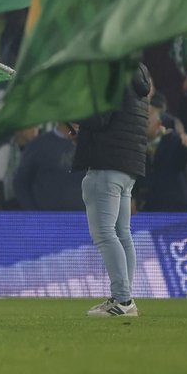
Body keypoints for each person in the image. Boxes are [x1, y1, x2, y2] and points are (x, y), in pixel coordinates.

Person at [76, 64, 153, 317]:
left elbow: (99, 117)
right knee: (122, 233)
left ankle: (122, 300)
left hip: (106, 164)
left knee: (106, 234)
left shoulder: (109, 69)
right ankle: (125, 299)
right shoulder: (138, 71)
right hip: (128, 165)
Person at [14, 123, 85, 211]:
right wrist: (34, 214)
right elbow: (20, 183)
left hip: (83, 219)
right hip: (48, 219)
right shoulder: (38, 145)